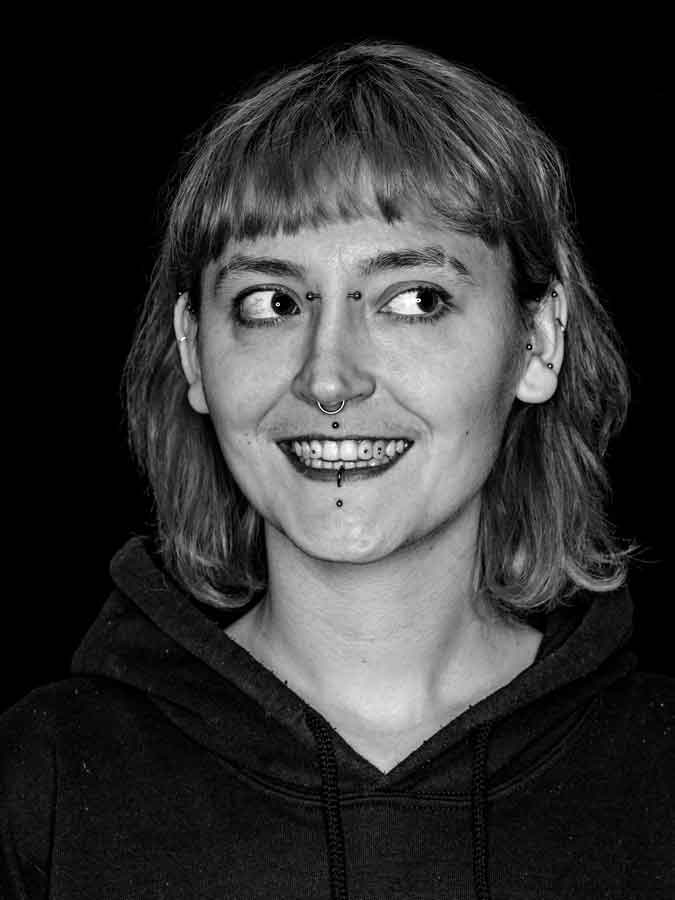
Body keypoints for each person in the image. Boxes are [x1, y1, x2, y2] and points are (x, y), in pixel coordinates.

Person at [1, 40, 672, 900]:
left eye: (414, 300)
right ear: (194, 353)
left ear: (536, 342)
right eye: (273, 303)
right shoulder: (41, 783)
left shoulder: (656, 777)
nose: (327, 379)